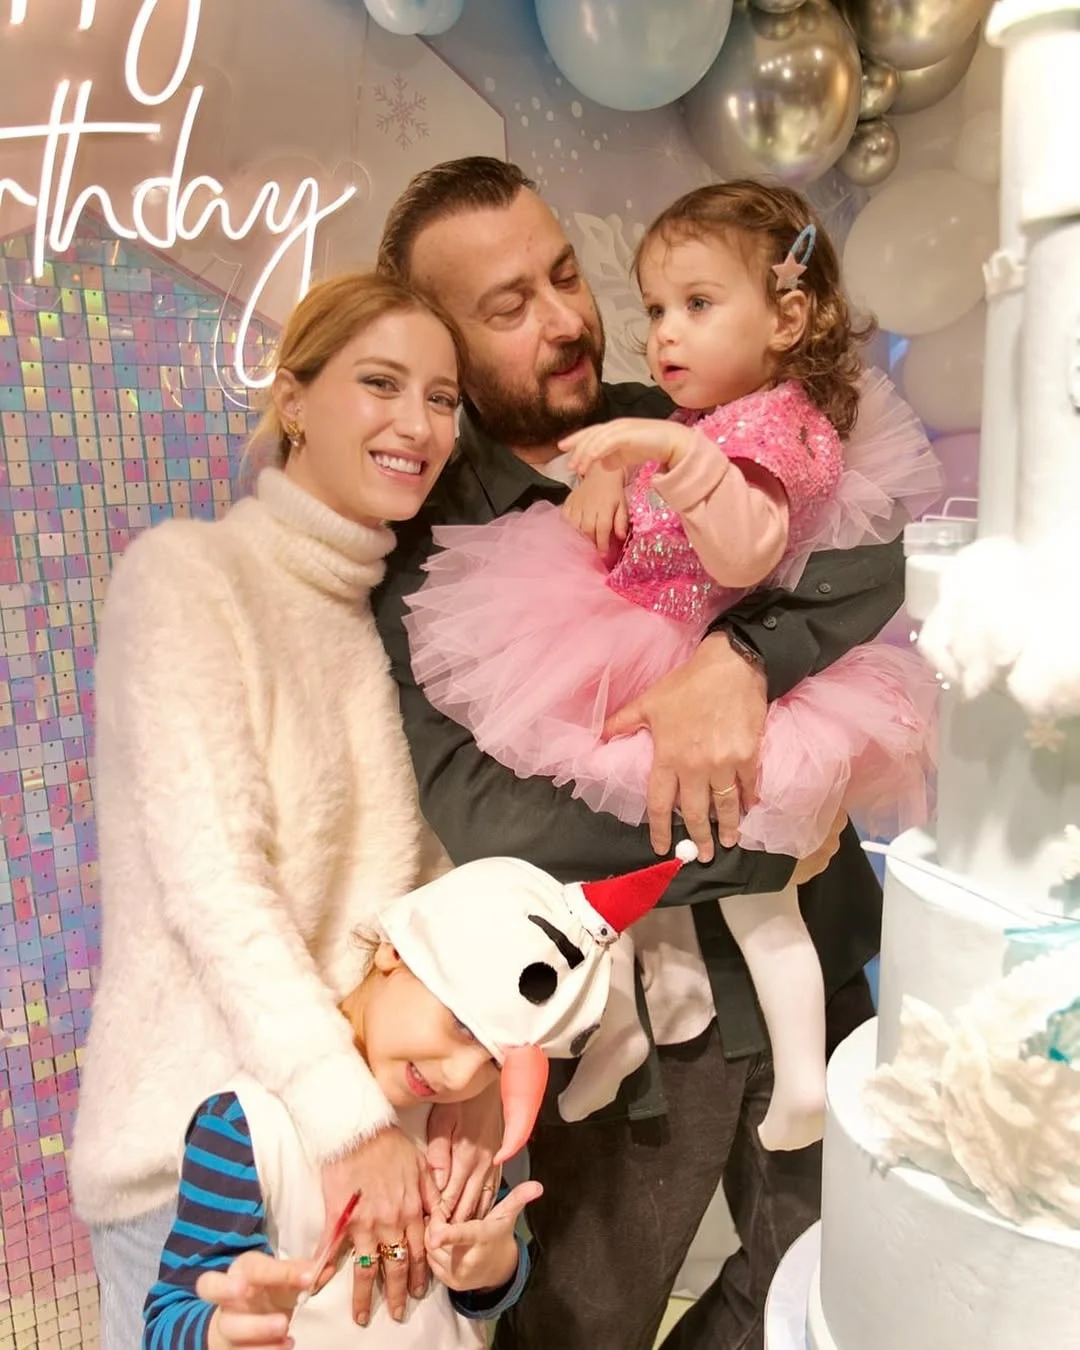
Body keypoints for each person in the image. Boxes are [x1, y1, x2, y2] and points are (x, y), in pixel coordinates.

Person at [370, 157, 915, 1350]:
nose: (568, 319)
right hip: (631, 1028)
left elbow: (867, 552)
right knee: (584, 1325)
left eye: (565, 273)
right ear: (446, 343)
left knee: (831, 1289)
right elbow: (488, 812)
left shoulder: (692, 408)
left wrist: (744, 658)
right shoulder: (429, 539)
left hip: (816, 959)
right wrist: (754, 846)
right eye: (510, 307)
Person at [70, 272, 499, 1349]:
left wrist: (476, 1083)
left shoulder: (388, 627)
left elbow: (433, 902)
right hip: (191, 1161)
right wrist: (352, 1125)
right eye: (380, 383)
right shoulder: (188, 577)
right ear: (294, 399)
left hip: (363, 1150)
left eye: (442, 398)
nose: (417, 424)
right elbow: (219, 890)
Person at [141, 846, 698, 1349]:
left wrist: (494, 1268)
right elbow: (167, 1320)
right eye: (461, 1026)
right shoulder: (245, 1125)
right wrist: (221, 1332)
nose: (460, 1076)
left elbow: (475, 1297)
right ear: (393, 952)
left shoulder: (460, 1130)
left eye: (493, 1064)